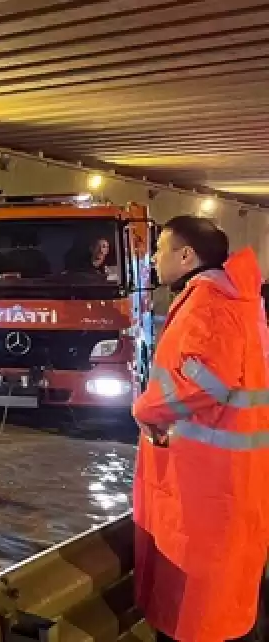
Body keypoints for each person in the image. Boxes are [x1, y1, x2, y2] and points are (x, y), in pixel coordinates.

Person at [131, 215, 269, 642]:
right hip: (230, 476)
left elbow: (202, 381)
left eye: (160, 249)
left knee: (196, 610)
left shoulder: (207, 304)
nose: (152, 259)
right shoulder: (240, 300)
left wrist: (145, 408)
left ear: (186, 255)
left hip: (200, 486)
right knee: (224, 599)